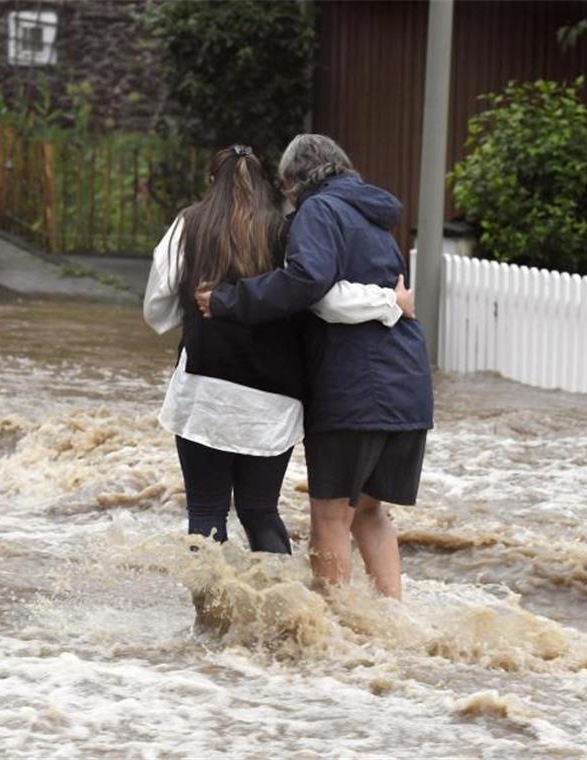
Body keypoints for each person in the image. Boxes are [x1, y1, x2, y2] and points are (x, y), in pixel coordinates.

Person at [196, 134, 434, 599]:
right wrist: (389, 302)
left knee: (329, 516)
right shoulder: (374, 219)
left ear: (293, 181)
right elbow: (382, 293)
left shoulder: (319, 211)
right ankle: (392, 622)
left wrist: (229, 299)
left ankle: (332, 635)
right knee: (370, 511)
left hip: (355, 388)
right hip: (407, 384)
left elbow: (309, 283)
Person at [144, 144, 412, 555]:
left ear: (211, 182)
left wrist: (199, 311)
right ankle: (275, 611)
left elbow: (156, 309)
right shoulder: (288, 231)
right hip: (276, 397)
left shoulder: (188, 225)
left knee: (206, 510)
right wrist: (390, 303)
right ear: (269, 186)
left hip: (204, 390)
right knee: (261, 510)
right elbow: (324, 296)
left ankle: (211, 618)